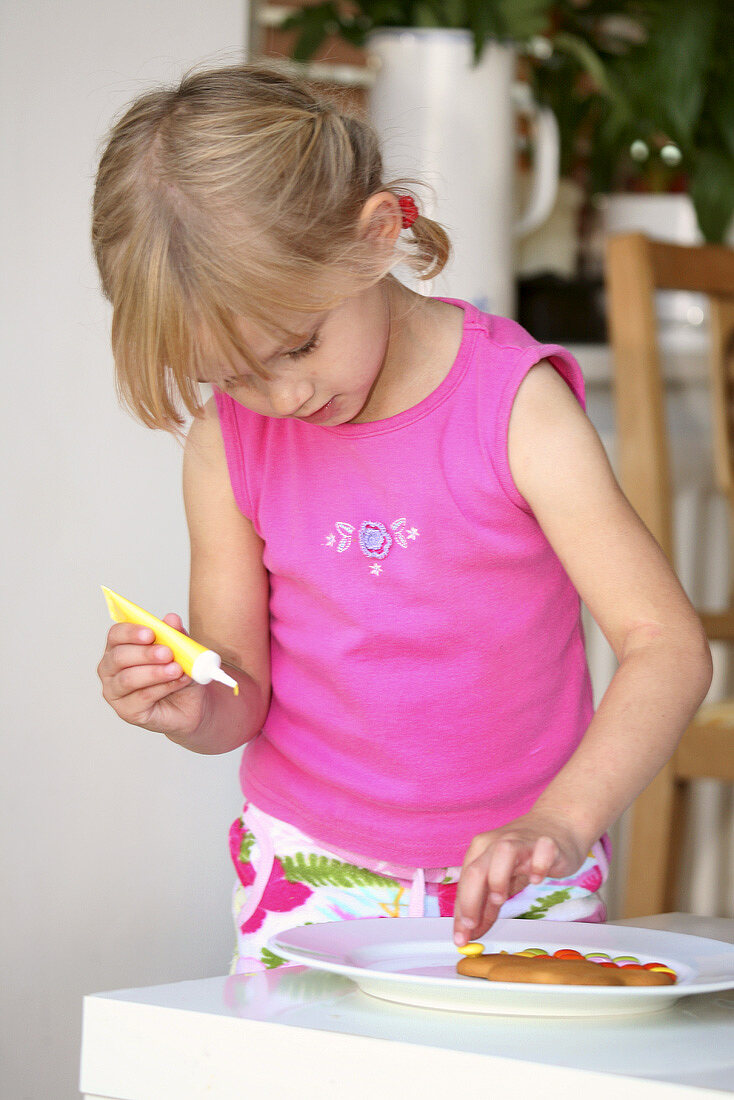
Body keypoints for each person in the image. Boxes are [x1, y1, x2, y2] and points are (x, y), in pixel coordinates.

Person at [94, 63, 712, 974]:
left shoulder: (514, 407)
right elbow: (243, 694)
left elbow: (667, 644)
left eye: (296, 344)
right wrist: (194, 705)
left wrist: (562, 821)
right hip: (307, 867)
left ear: (378, 235)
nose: (283, 395)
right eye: (231, 375)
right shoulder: (228, 444)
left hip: (520, 869)